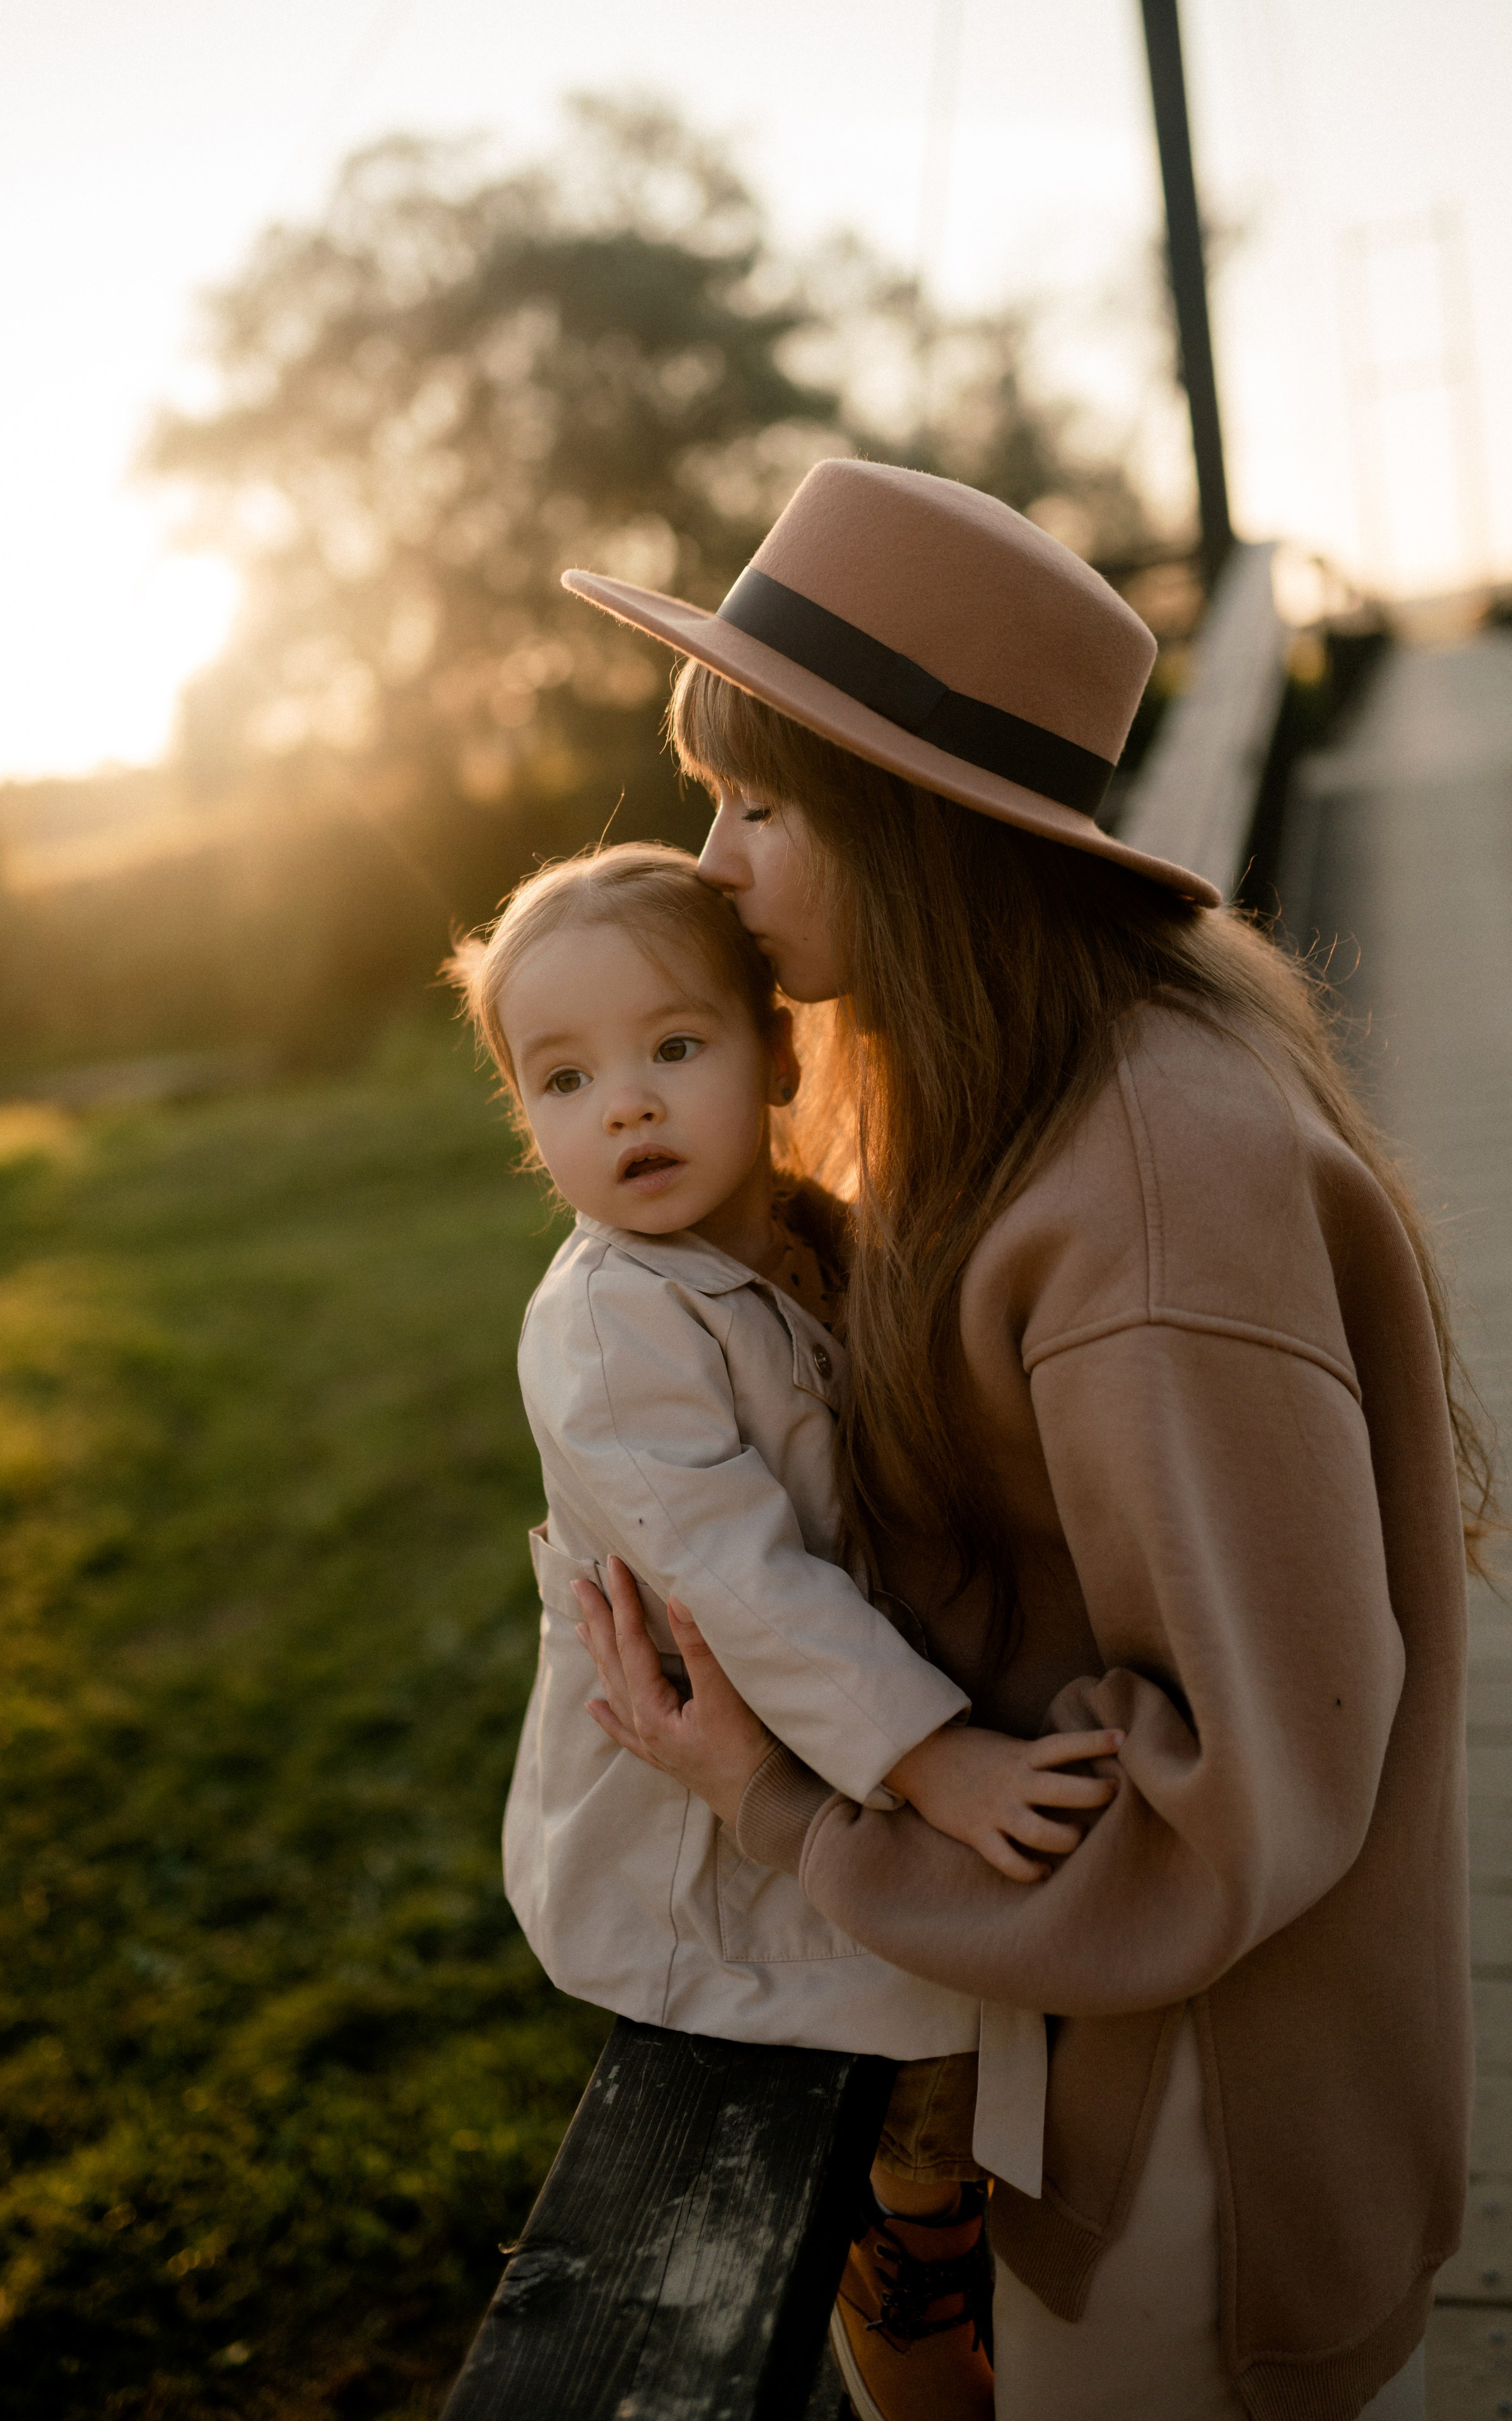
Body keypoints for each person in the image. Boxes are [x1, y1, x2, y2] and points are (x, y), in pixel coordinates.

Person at [561, 457, 1486, 2421]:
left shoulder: (1150, 1191)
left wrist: (798, 1809)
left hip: (1195, 2155)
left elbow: (1245, 1791)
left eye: (758, 802)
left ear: (913, 832)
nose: (711, 863)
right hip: (1095, 2066)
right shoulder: (1022, 1082)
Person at [446, 843, 1128, 2418]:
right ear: (525, 1116)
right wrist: (937, 1758)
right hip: (718, 1821)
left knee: (964, 2068)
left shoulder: (801, 1238)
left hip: (826, 1757)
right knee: (903, 2104)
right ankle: (915, 2344)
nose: (621, 1104)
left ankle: (963, 2274)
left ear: (778, 1051)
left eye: (673, 1049)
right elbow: (743, 1585)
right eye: (561, 1079)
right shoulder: (611, 1328)